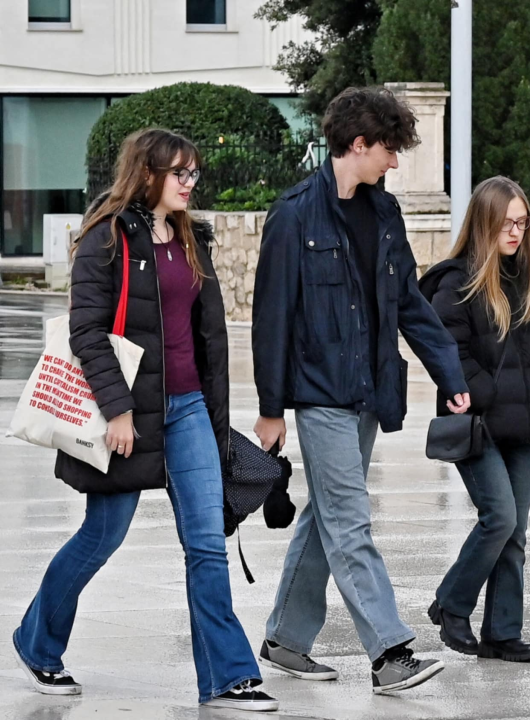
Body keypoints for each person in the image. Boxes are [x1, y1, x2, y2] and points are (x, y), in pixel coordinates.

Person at [12, 129, 278, 712]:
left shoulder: (190, 238)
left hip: (188, 412)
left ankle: (229, 677)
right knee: (101, 536)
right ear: (148, 173)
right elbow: (86, 331)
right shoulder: (106, 238)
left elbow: (206, 338)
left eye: (193, 174)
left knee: (206, 543)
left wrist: (216, 417)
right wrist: (119, 409)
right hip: (128, 415)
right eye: (179, 173)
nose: (189, 184)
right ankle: (37, 642)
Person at [252, 86, 471, 694]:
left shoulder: (384, 213)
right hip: (318, 392)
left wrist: (448, 373)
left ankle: (285, 638)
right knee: (350, 521)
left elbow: (408, 303)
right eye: (389, 150)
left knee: (327, 512)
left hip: (368, 391)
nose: (395, 163)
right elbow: (271, 320)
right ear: (358, 145)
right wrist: (272, 410)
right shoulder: (294, 214)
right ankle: (389, 652)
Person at [419, 176, 530, 663]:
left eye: (522, 223)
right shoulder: (457, 281)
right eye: (506, 223)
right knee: (499, 517)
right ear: (484, 223)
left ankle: (503, 632)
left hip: (523, 425)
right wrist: (483, 393)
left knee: (516, 531)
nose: (515, 232)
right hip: (478, 423)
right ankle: (452, 603)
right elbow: (446, 350)